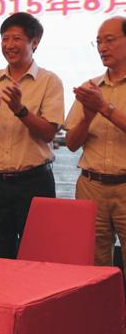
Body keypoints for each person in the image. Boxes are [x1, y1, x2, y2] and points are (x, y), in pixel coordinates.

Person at [0, 12, 64, 258]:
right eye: (5, 38)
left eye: (17, 38)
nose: (9, 45)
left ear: (35, 41)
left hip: (34, 182)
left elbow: (49, 132)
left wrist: (20, 110)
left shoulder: (49, 81)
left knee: (38, 254)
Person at [65, 16, 126, 267]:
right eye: (98, 42)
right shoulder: (89, 88)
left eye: (109, 40)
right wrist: (87, 119)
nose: (102, 48)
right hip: (91, 186)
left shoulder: (96, 97)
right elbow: (71, 143)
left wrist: (104, 108)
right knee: (93, 263)